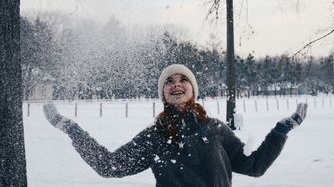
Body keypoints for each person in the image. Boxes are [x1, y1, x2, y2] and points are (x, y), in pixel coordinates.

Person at [43, 64, 308, 187]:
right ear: (164, 93)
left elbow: (254, 167)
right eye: (169, 81)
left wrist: (281, 130)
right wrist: (71, 129)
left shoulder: (216, 130)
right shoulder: (154, 137)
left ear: (193, 89)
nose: (176, 84)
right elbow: (109, 166)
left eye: (183, 79)